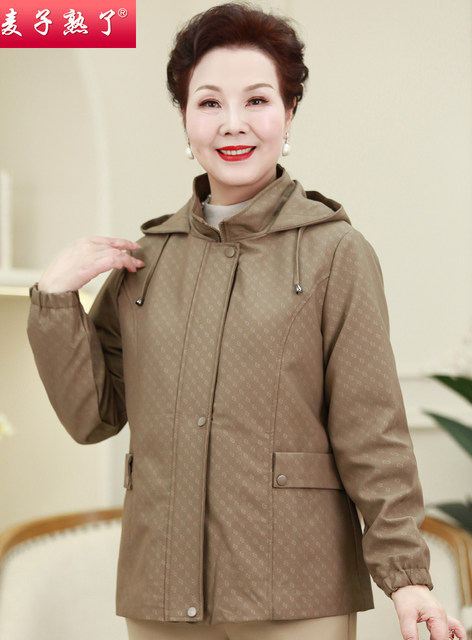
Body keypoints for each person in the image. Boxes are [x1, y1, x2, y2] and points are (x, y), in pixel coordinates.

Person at [27, 3, 466, 640]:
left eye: (257, 100)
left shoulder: (334, 252)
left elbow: (373, 431)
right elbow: (92, 417)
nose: (233, 123)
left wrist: (408, 577)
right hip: (162, 588)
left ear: (289, 112)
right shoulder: (148, 260)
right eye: (209, 103)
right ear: (185, 119)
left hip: (295, 588)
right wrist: (53, 299)